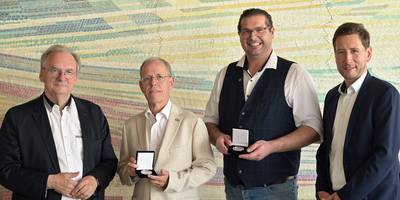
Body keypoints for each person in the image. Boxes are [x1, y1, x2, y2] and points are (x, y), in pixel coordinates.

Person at [204, 8, 322, 199]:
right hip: (233, 188)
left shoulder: (294, 73)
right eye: (246, 31)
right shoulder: (225, 74)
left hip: (276, 191)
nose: (253, 37)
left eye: (259, 29)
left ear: (272, 32)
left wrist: (272, 146)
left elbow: (313, 129)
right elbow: (209, 122)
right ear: (239, 35)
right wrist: (217, 137)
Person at [0, 45, 118, 200]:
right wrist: (49, 181)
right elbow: (5, 170)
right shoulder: (17, 117)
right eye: (54, 70)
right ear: (42, 74)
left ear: (75, 77)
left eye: (69, 71)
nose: (62, 77)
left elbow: (109, 161)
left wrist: (95, 180)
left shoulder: (94, 113)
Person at [316, 22, 400, 200]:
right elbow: (326, 149)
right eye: (341, 52)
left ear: (368, 54)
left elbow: (385, 156)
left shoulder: (385, 94)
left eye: (354, 51)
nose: (347, 59)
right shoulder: (332, 97)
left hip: (372, 196)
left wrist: (345, 195)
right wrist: (321, 188)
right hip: (333, 194)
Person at [117, 57, 217, 199]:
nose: (153, 83)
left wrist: (173, 181)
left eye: (159, 77)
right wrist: (130, 172)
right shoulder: (130, 126)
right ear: (141, 86)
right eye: (147, 78)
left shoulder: (192, 122)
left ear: (171, 82)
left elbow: (208, 167)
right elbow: (122, 170)